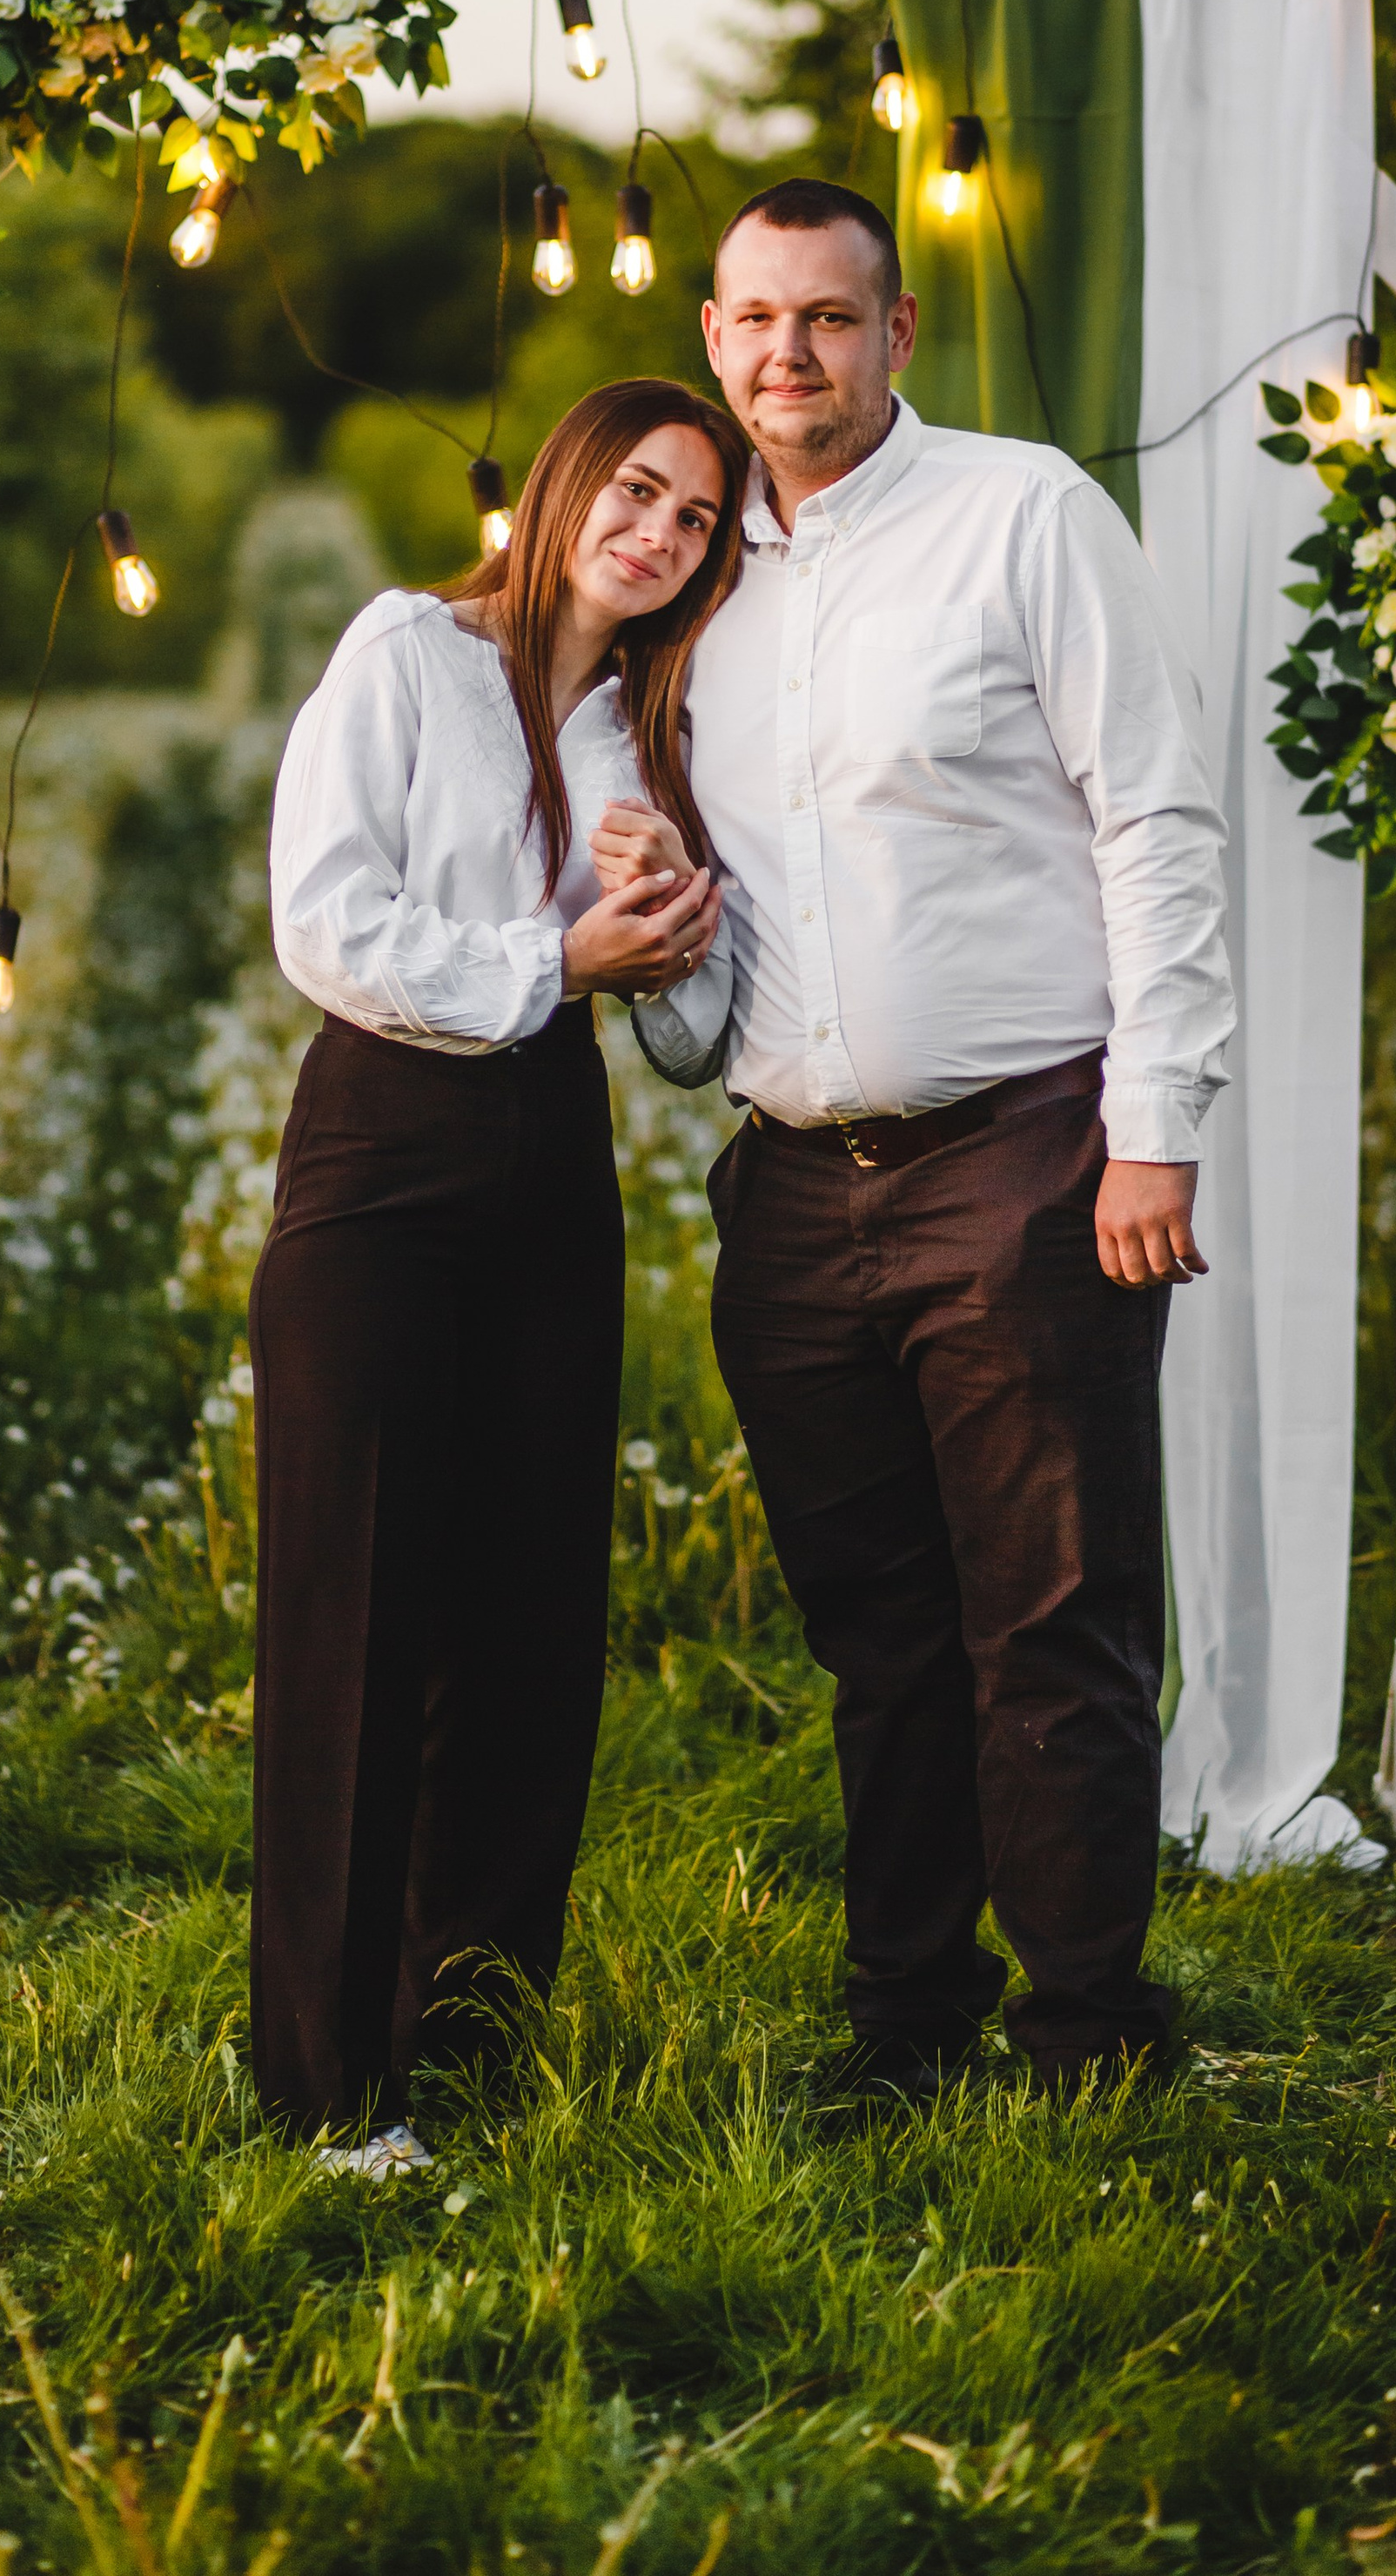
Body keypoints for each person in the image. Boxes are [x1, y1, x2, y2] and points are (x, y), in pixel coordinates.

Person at [601, 178, 1233, 2100]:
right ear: (709, 338)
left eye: (827, 317)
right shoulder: (695, 575)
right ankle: (904, 2025)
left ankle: (1087, 2033)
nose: (786, 352)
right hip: (790, 1191)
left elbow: (1154, 819)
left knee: (1048, 1627)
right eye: (753, 320)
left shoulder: (1022, 512)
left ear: (892, 336)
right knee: (876, 1640)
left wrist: (1156, 1129)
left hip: (1023, 1160)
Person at [251, 375, 748, 2176]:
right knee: (357, 1613)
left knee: (531, 1622)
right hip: (385, 1139)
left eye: (693, 519)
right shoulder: (403, 653)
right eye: (635, 490)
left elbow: (689, 1032)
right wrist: (558, 952)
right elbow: (327, 922)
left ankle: (461, 2051)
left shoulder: (647, 727)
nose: (656, 533)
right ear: (561, 483)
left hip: (552, 1155)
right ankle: (322, 2092)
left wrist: (668, 894)